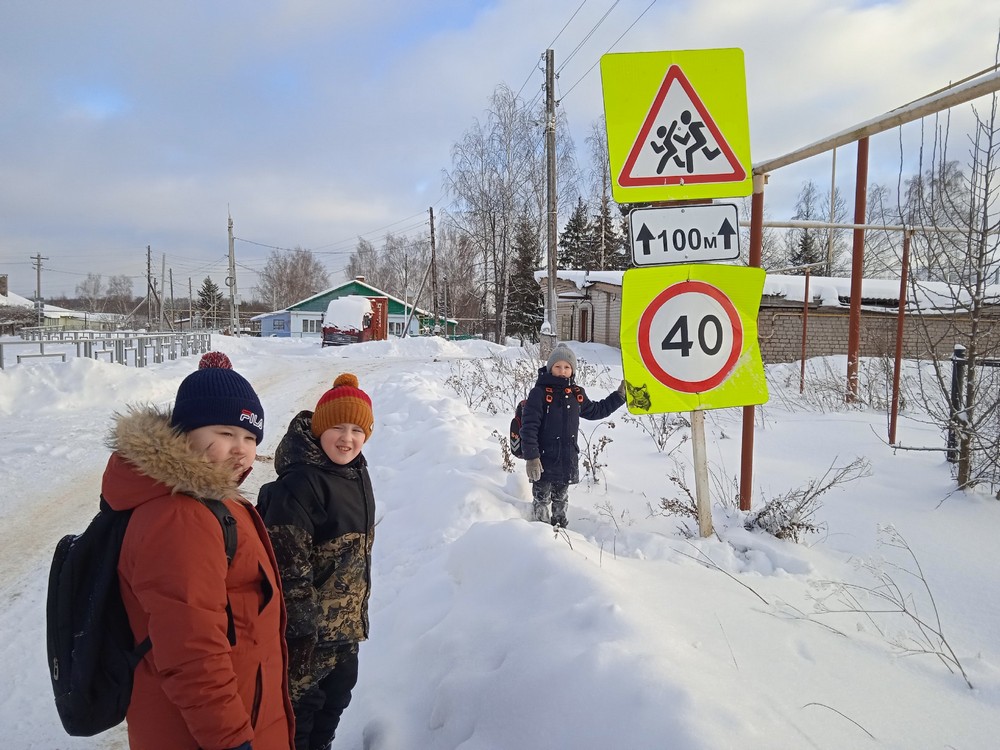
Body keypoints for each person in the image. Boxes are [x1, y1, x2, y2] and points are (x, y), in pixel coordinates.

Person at [100, 351, 294, 750]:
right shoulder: (180, 516)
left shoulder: (212, 502)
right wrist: (231, 740)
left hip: (242, 706)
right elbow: (191, 650)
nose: (241, 449)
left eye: (250, 437)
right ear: (186, 434)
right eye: (225, 433)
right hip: (206, 731)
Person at [257, 373, 376, 750]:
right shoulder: (300, 484)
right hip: (306, 639)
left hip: (345, 632)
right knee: (300, 723)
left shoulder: (355, 472)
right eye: (338, 427)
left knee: (335, 705)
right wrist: (300, 639)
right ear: (320, 428)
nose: (347, 438)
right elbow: (289, 573)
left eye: (358, 429)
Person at [519, 343, 626, 529]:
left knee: (561, 500)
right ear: (550, 367)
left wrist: (619, 396)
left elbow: (596, 411)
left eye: (567, 367)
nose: (562, 371)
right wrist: (532, 457)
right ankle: (538, 534)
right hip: (542, 461)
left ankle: (561, 533)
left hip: (566, 460)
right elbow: (529, 427)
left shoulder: (576, 394)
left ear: (572, 370)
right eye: (558, 366)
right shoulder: (539, 393)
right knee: (541, 500)